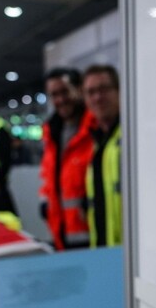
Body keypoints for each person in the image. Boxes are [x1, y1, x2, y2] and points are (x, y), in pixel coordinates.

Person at [39, 68, 97, 250]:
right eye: (54, 94)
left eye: (65, 92)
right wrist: (44, 204)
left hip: (94, 235)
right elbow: (47, 176)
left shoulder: (96, 126)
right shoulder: (52, 132)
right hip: (61, 233)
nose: (60, 100)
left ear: (79, 89)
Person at [82, 65, 122, 248]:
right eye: (91, 92)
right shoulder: (98, 142)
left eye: (104, 89)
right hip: (104, 250)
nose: (97, 97)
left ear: (119, 91)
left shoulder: (133, 136)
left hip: (131, 256)